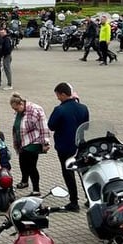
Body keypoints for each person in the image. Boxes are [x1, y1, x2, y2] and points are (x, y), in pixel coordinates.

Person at [47, 83, 89, 212]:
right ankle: (90, 199)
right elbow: (86, 126)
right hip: (81, 146)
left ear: (64, 94)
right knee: (85, 174)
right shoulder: (83, 107)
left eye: (58, 95)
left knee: (68, 173)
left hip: (65, 147)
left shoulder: (59, 110)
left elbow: (51, 126)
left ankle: (74, 201)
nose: (58, 98)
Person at [10, 93, 50, 195]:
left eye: (16, 109)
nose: (15, 111)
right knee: (22, 162)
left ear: (21, 104)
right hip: (22, 141)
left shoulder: (35, 110)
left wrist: (45, 142)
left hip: (34, 141)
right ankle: (24, 181)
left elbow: (43, 126)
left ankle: (36, 189)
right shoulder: (18, 111)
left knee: (32, 166)